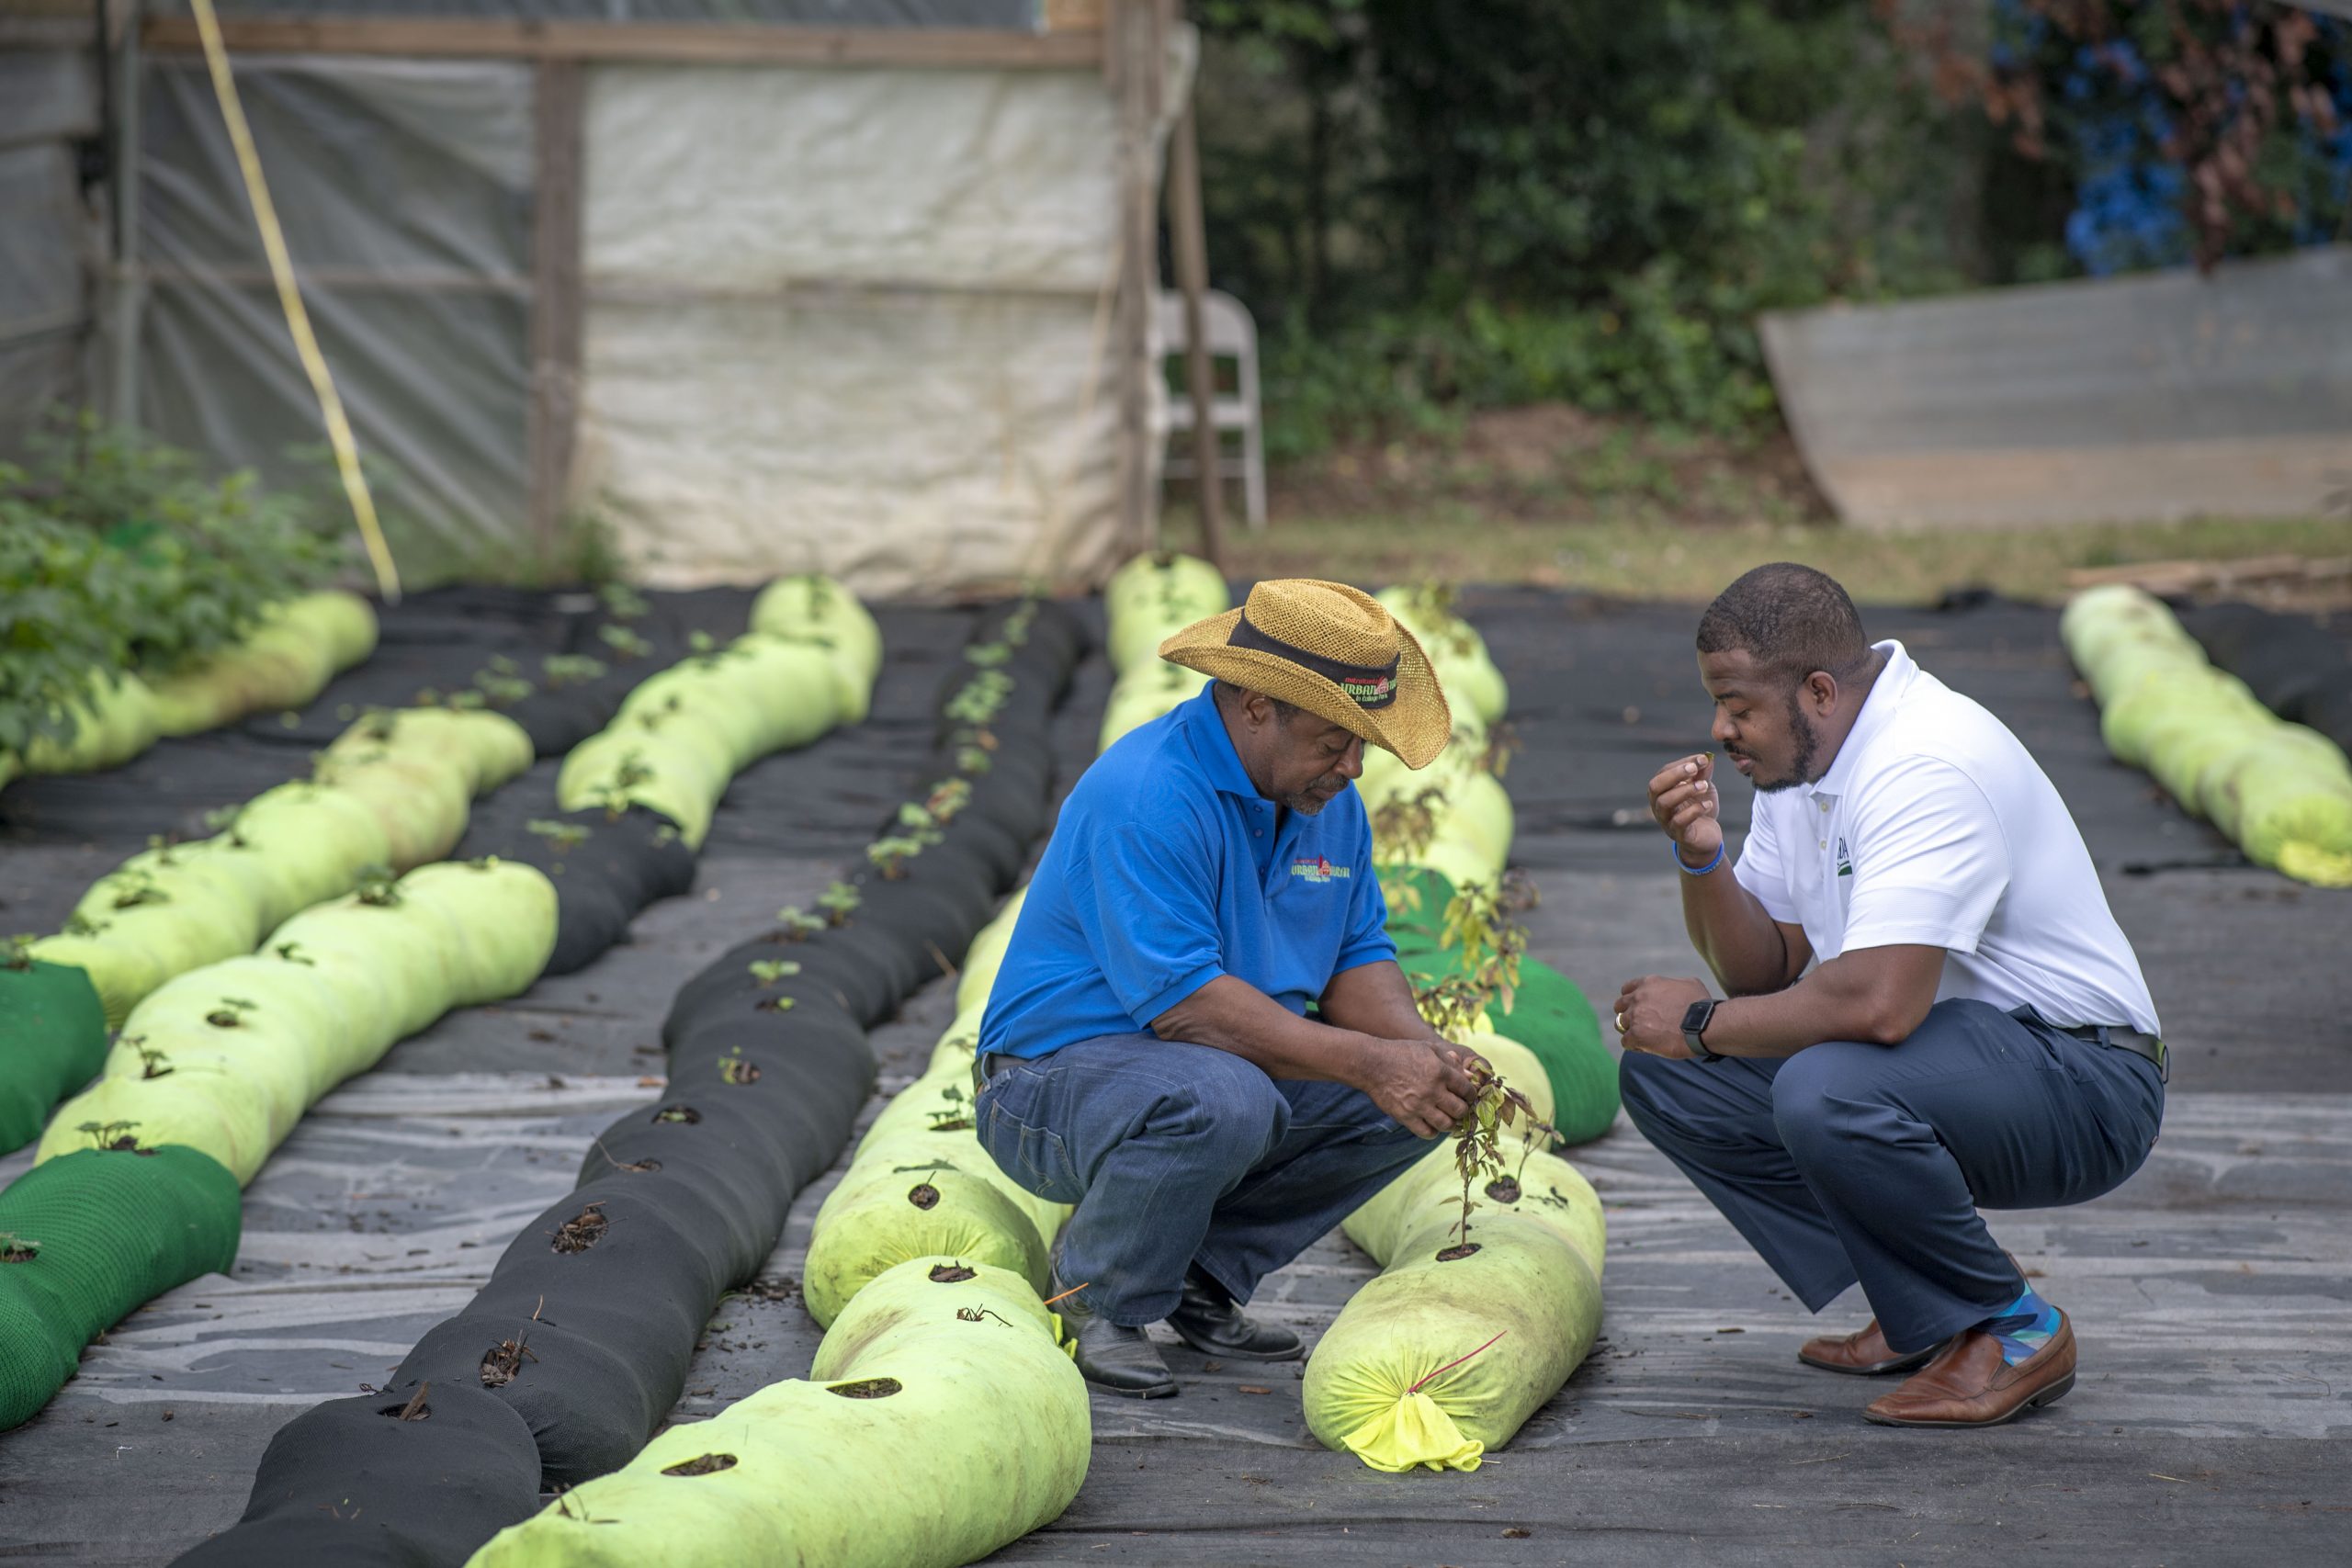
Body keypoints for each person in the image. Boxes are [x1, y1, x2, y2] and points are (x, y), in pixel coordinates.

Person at [1613, 563, 2165, 1428]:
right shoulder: (1806, 764)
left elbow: (1879, 1007)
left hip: (2086, 1078)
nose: (1720, 728)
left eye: (1738, 705)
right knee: (1673, 1077)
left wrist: (1695, 1022)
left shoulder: (1925, 760)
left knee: (1822, 1083)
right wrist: (1700, 855)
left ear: (1820, 691)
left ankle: (2011, 1327)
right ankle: (1927, 1307)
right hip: (1961, 1061)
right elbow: (1761, 972)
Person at [973, 578, 1481, 1398]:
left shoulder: (1326, 802)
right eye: (1332, 741)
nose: (1352, 766)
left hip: (1211, 1070)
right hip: (1045, 1087)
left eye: (1363, 745)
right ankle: (1097, 1296)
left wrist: (1420, 1053)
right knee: (1227, 1096)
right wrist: (1373, 1062)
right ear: (1253, 707)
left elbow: (1357, 955)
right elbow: (1190, 1009)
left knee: (1418, 1092)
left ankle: (1196, 1274)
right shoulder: (1145, 792)